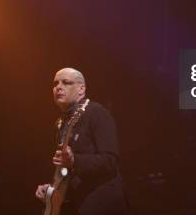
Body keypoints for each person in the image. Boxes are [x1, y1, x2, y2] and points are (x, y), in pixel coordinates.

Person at [35, 68, 128, 215]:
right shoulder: (60, 123)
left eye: (66, 82)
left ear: (81, 89)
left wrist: (75, 161)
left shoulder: (96, 112)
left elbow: (110, 160)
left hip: (102, 204)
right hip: (78, 205)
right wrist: (52, 189)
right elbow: (67, 171)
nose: (58, 87)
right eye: (55, 83)